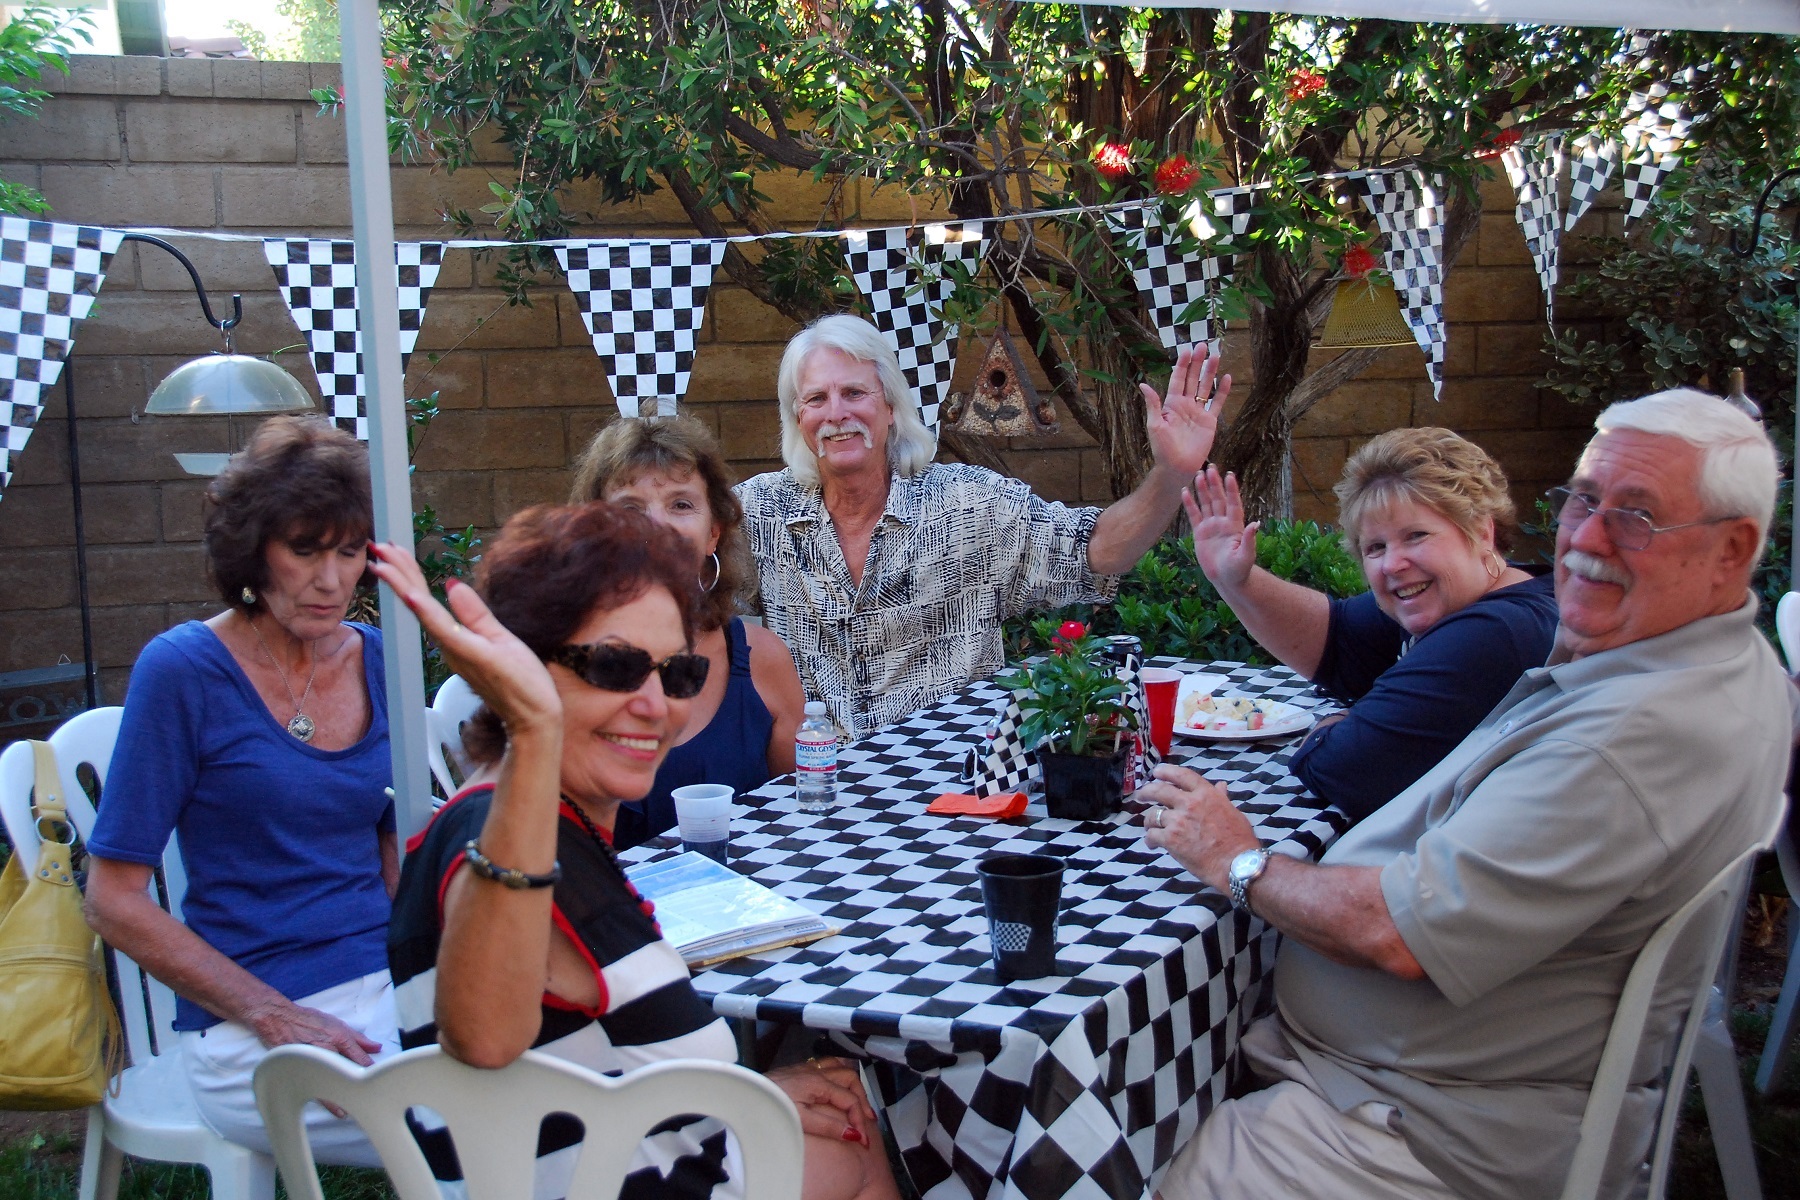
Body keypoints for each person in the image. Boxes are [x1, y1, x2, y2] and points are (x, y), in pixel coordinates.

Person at [1140, 388, 1792, 1200]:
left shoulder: (1631, 734)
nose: (1586, 539)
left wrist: (1237, 858)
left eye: (1637, 517)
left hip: (1409, 1129)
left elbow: (1396, 933)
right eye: (1582, 501)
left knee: (1091, 1147)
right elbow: (1346, 650)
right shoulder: (1682, 664)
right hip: (1428, 1074)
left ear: (1733, 550)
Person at [374, 502, 901, 1200]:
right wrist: (535, 733)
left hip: (607, 1153)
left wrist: (749, 1090)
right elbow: (484, 1038)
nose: (656, 704)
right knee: (872, 1133)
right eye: (616, 666)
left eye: (678, 674)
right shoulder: (510, 838)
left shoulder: (523, 819)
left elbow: (585, 1063)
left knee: (849, 1106)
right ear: (522, 666)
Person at [84, 416, 396, 1162]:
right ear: (252, 549)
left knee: (563, 1071)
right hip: (250, 1022)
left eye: (350, 552)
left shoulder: (375, 655)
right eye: (305, 550)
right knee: (482, 1121)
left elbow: (388, 836)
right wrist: (274, 1015)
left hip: (389, 985)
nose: (331, 580)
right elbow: (112, 898)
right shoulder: (184, 671)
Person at [737, 313, 1223, 740]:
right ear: (797, 417)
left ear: (890, 407)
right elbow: (682, 574)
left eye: (855, 392)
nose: (836, 413)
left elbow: (1096, 550)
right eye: (816, 398)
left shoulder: (971, 504)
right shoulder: (759, 511)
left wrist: (1173, 472)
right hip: (817, 791)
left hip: (952, 791)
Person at [1184, 427, 1558, 824]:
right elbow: (1339, 642)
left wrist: (1331, 727)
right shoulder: (1484, 591)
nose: (1392, 564)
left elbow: (1343, 769)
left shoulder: (1494, 632)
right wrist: (1235, 579)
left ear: (1483, 532)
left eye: (1416, 536)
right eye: (1375, 547)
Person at [570, 415, 807, 848]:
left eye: (681, 505)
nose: (658, 526)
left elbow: (799, 820)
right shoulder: (562, 670)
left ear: (712, 533)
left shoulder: (765, 661)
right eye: (631, 508)